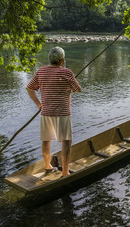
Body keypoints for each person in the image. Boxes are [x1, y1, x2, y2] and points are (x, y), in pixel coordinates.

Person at [26, 47, 81, 177]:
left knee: (46, 140)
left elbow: (29, 88)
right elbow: (78, 89)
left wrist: (39, 105)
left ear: (50, 59)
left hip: (46, 112)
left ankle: (47, 166)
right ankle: (65, 172)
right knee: (66, 141)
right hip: (62, 112)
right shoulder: (67, 73)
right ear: (62, 60)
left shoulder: (41, 72)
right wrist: (71, 82)